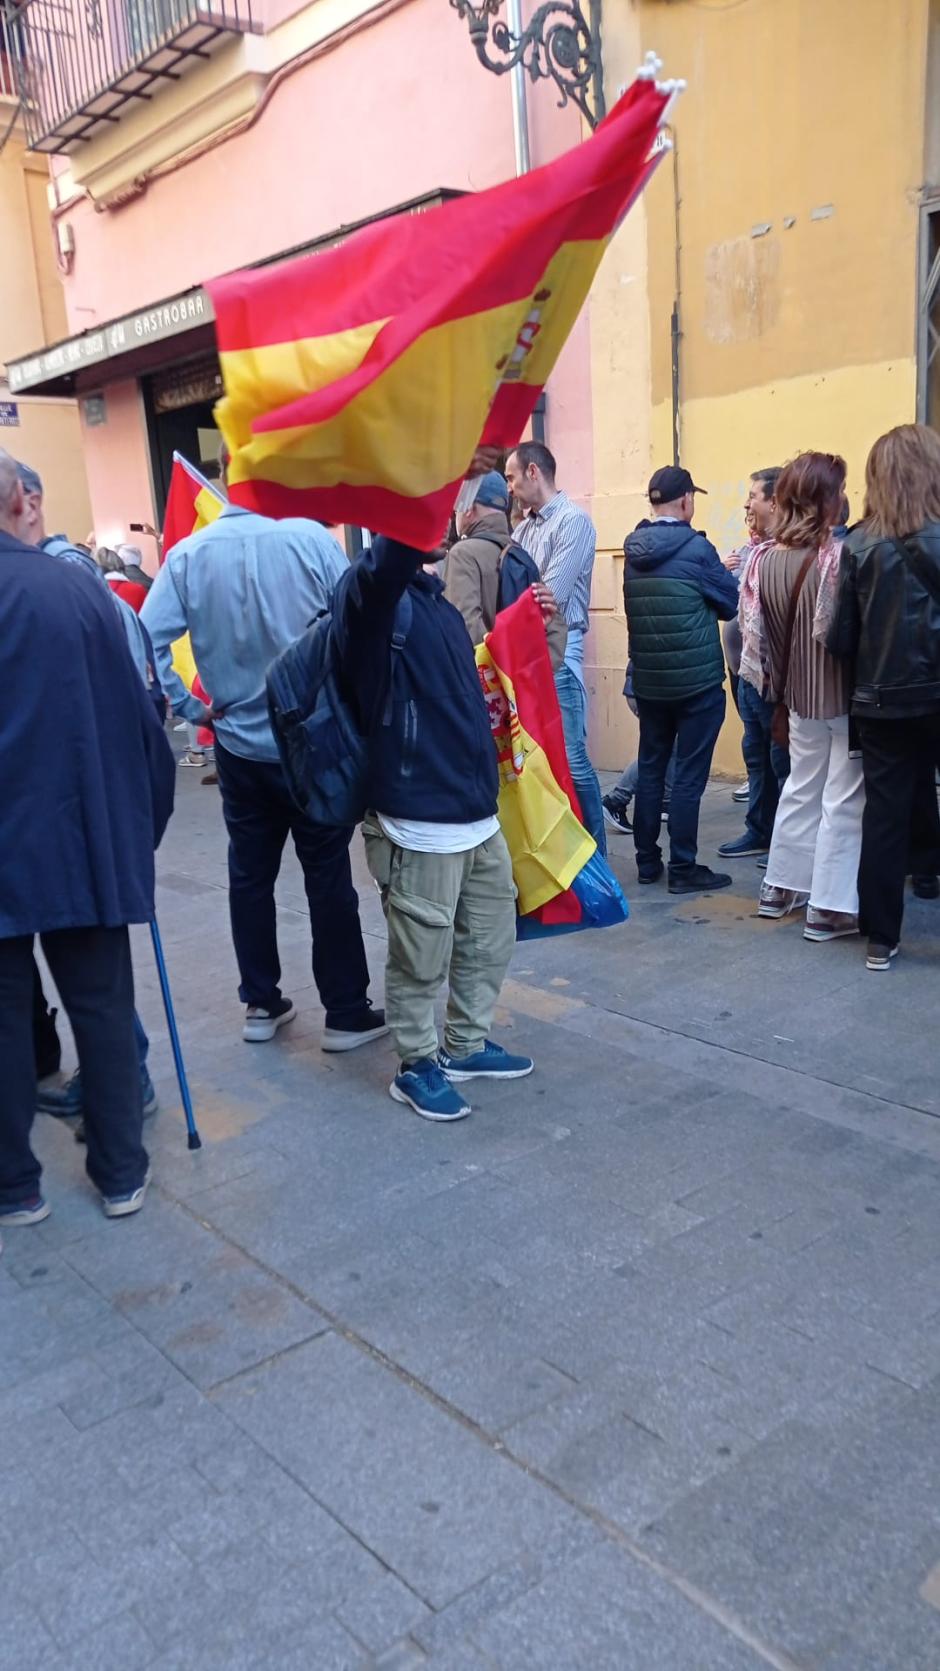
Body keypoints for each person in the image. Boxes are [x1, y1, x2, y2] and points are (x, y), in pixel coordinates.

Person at [141, 464, 387, 1050]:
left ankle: (261, 1001)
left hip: (238, 745)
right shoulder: (310, 540)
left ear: (226, 477)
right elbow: (359, 623)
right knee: (327, 877)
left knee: (249, 876)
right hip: (313, 740)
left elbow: (144, 637)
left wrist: (190, 708)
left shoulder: (188, 555)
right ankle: (346, 1011)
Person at [0, 450, 175, 1228]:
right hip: (81, 836)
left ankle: (15, 1186)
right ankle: (119, 1171)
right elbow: (144, 722)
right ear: (19, 501)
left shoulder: (74, 585)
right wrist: (147, 826)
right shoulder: (77, 589)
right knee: (101, 1005)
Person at [331, 533, 533, 1123]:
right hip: (417, 818)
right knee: (420, 956)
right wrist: (417, 479)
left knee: (489, 936)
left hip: (473, 811)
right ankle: (416, 1064)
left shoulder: (435, 602)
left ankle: (465, 1046)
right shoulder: (371, 596)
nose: (445, 513)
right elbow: (389, 560)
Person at [827, 424, 940, 970]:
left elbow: (841, 636)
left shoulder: (857, 544)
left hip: (880, 700)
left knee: (885, 813)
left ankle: (880, 937)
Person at [756, 452, 863, 939]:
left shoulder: (764, 560)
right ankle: (829, 907)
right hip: (841, 692)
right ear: (825, 500)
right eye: (839, 490)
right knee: (843, 797)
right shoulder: (836, 557)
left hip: (795, 695)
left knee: (801, 787)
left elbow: (756, 637)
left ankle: (779, 887)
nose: (845, 497)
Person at [623, 466, 739, 893]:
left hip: (651, 684)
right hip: (696, 686)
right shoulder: (697, 549)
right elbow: (729, 603)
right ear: (687, 500)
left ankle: (647, 862)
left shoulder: (633, 550)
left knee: (652, 770)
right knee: (689, 776)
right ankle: (685, 868)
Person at [505, 443, 607, 855]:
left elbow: (551, 595)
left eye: (511, 477)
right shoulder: (524, 529)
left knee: (574, 758)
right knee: (541, 760)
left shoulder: (573, 522)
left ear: (533, 472)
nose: (509, 487)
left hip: (561, 647)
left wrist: (517, 605)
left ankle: (596, 857)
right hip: (528, 648)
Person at [718, 467, 788, 861]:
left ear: (774, 502)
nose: (747, 503)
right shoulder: (750, 551)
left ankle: (785, 843)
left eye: (754, 496)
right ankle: (759, 830)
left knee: (781, 762)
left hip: (771, 681)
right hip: (745, 674)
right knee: (757, 757)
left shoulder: (786, 554)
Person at [443, 471, 567, 670]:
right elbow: (555, 630)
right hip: (518, 695)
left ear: (467, 508)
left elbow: (464, 629)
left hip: (483, 694)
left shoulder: (462, 555)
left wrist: (498, 678)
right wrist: (524, 674)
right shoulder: (521, 554)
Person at [601, 662, 675, 835]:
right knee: (660, 750)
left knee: (669, 746)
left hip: (643, 689)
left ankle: (666, 803)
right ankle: (615, 800)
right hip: (649, 691)